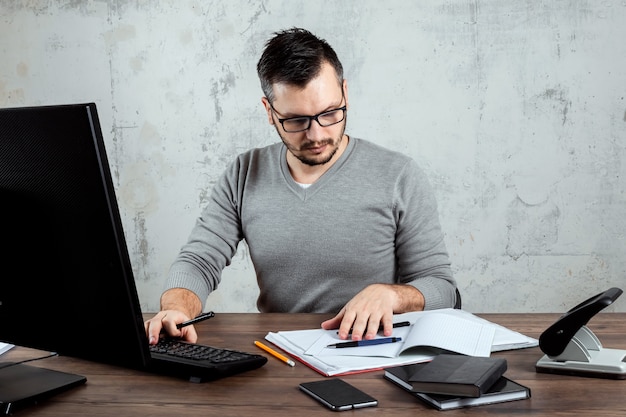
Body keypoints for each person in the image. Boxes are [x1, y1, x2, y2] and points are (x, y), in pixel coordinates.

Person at [145, 27, 456, 344]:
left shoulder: (399, 175)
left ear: (345, 94)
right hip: (280, 355)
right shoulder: (244, 173)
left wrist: (391, 296)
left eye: (330, 113)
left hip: (371, 356)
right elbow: (199, 261)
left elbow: (443, 288)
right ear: (269, 112)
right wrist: (176, 309)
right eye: (296, 121)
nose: (317, 135)